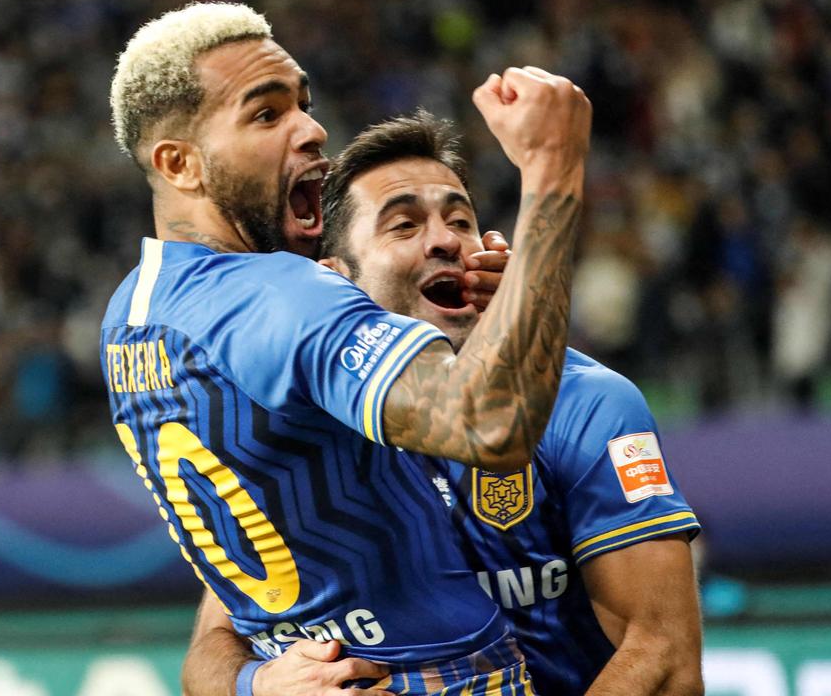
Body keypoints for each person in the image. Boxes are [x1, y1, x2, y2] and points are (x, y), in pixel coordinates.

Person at [102, 2, 589, 693]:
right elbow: (491, 422)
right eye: (266, 115)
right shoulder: (280, 296)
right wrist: (553, 171)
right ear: (180, 164)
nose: (312, 128)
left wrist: (255, 686)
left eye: (303, 103)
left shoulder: (132, 315)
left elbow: (219, 628)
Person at [181, 112, 703, 696]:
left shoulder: (585, 403)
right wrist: (258, 684)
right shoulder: (297, 425)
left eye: (461, 221)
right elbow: (212, 645)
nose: (445, 240)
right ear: (333, 280)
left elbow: (666, 660)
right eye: (403, 226)